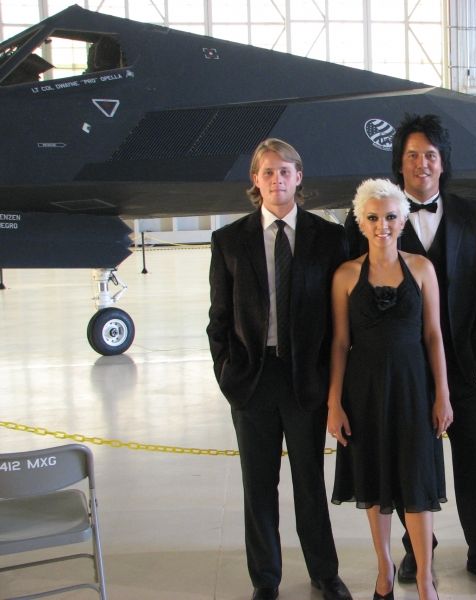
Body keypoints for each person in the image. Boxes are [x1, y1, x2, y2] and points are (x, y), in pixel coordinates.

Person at [344, 114, 476, 593]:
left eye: (430, 155)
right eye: (412, 155)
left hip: (457, 365)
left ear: (443, 164)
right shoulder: (375, 217)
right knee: (402, 463)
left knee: (473, 459)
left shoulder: (471, 215)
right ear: (398, 164)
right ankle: (418, 551)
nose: (421, 163)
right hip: (395, 370)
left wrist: (472, 348)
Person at [207, 138, 352, 600]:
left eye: (285, 171)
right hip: (252, 380)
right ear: (255, 179)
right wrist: (228, 374)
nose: (276, 180)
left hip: (305, 379)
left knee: (310, 482)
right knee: (258, 486)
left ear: (299, 176)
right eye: (267, 172)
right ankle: (265, 579)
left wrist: (332, 383)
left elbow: (340, 319)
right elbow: (218, 319)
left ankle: (324, 573)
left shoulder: (327, 238)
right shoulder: (229, 241)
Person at [328, 178, 452, 600]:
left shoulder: (422, 268)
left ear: (402, 221)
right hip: (364, 392)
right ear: (361, 222)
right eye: (373, 217)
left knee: (416, 482)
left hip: (413, 388)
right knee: (375, 480)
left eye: (390, 217)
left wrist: (442, 394)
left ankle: (425, 579)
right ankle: (384, 570)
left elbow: (433, 335)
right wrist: (334, 402)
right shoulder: (346, 275)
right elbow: (340, 342)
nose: (382, 225)